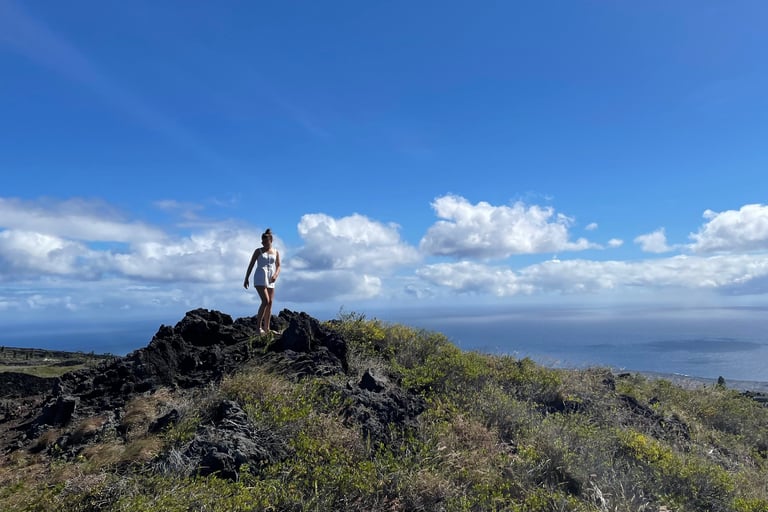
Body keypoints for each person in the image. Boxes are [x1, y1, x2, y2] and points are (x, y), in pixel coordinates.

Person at [243, 228, 281, 334]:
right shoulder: (258, 251)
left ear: (271, 241)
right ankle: (257, 328)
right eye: (262, 242)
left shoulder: (276, 251)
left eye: (265, 241)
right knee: (265, 301)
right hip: (260, 277)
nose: (263, 243)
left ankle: (267, 329)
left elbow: (278, 266)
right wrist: (246, 278)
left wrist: (275, 275)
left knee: (270, 303)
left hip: (271, 278)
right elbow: (251, 264)